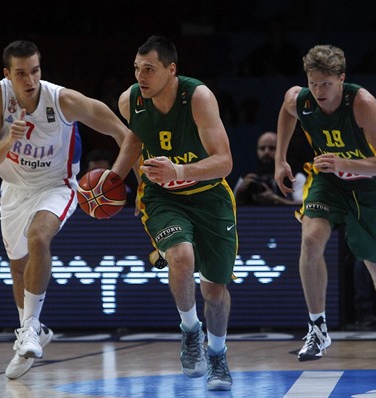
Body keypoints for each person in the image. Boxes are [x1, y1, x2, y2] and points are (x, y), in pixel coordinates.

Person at [0, 40, 129, 380]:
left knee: (39, 237)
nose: (29, 79)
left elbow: (122, 132)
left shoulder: (62, 100)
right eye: (21, 73)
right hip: (14, 190)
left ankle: (29, 330)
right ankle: (32, 331)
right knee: (18, 268)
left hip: (56, 187)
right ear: (7, 75)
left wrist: (126, 175)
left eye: (35, 71)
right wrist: (8, 142)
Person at [274, 44, 376, 369]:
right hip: (329, 180)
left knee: (375, 263)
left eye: (326, 84)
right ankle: (317, 327)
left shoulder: (362, 103)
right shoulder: (302, 99)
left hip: (368, 186)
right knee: (310, 240)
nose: (319, 92)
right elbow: (285, 110)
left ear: (341, 79)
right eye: (313, 84)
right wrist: (280, 159)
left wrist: (345, 162)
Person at [109, 35, 235, 391]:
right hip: (163, 198)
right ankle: (190, 330)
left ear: (171, 70)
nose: (140, 77)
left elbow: (225, 162)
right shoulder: (129, 100)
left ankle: (218, 353)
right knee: (180, 256)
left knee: (214, 290)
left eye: (149, 69)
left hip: (210, 197)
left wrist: (179, 171)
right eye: (136, 69)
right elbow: (136, 138)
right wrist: (114, 179)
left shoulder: (198, 97)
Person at [234, 131, 305, 205]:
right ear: (257, 151)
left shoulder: (295, 178)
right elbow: (229, 209)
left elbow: (303, 207)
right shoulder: (246, 178)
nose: (266, 152)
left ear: (282, 150)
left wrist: (275, 199)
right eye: (262, 148)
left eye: (272, 148)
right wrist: (240, 192)